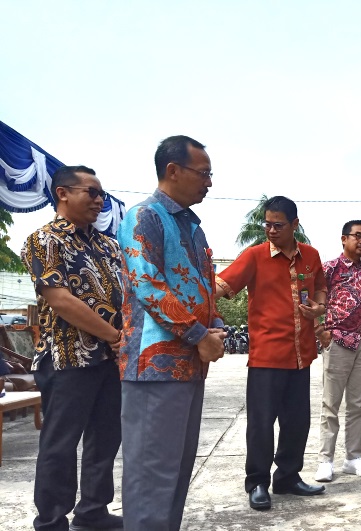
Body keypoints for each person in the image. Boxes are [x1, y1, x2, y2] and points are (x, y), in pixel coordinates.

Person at [117, 136, 226, 531]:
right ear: (173, 171)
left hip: (189, 365)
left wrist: (215, 327)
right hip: (155, 367)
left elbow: (202, 287)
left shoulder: (191, 226)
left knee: (176, 471)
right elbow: (148, 285)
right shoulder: (144, 216)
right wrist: (199, 335)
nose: (209, 182)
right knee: (152, 475)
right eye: (204, 173)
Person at [21, 166, 124, 531]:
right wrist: (114, 336)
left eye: (102, 195)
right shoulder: (45, 240)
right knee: (60, 444)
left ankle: (93, 510)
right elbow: (61, 300)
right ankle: (51, 520)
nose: (99, 201)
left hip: (110, 360)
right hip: (67, 358)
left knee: (105, 438)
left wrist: (122, 341)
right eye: (91, 192)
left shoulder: (108, 244)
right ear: (62, 193)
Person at [216, 196, 327, 511]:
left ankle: (288, 477)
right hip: (267, 357)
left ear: (295, 224)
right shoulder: (254, 256)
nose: (271, 230)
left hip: (301, 355)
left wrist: (319, 307)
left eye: (278, 225)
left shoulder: (310, 256)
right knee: (261, 424)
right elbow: (221, 285)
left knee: (297, 422)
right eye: (267, 224)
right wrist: (199, 300)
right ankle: (257, 482)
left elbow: (321, 287)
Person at [313, 220, 361, 482]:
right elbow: (315, 301)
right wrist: (320, 331)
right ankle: (325, 461)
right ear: (344, 238)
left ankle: (353, 459)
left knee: (357, 405)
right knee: (330, 405)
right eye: (358, 236)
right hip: (338, 341)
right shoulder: (330, 268)